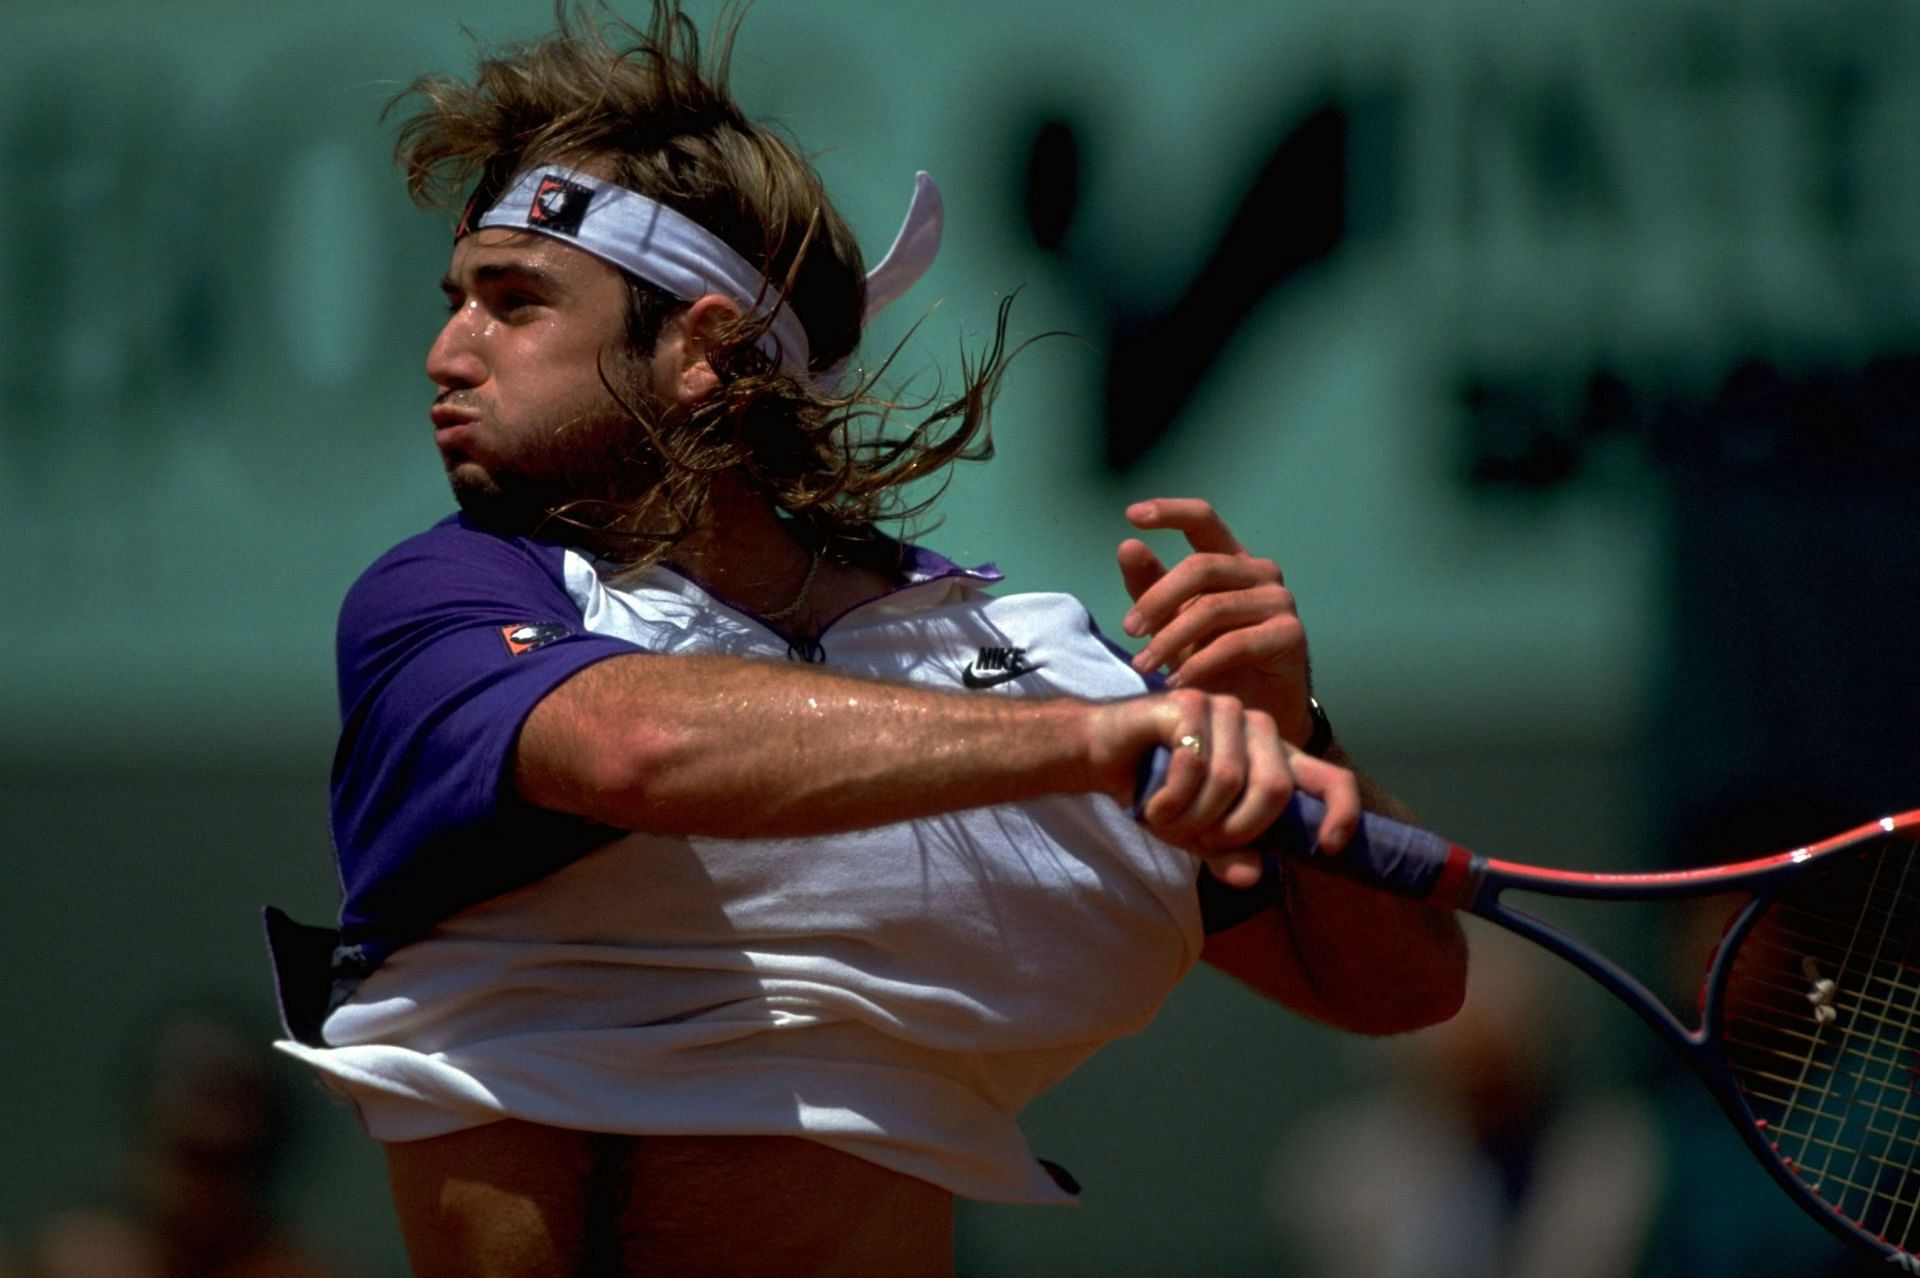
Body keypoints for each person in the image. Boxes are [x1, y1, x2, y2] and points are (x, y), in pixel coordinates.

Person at [265, 4, 1468, 1274]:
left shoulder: (1028, 670)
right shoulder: (449, 599)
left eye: (513, 304)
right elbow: (637, 749)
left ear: (703, 350)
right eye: (456, 302)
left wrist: (1292, 731)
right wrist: (1098, 740)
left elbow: (1393, 986)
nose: (446, 353)